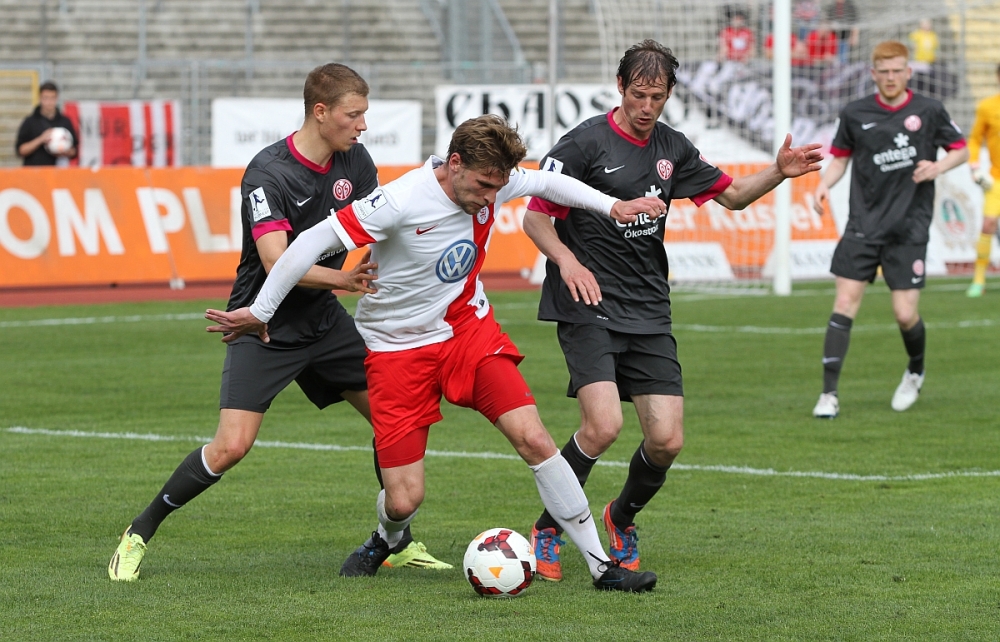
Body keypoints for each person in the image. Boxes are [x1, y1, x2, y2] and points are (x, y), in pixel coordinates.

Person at [205, 115, 670, 592]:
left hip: (467, 331)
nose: (491, 198)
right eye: (484, 185)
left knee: (533, 437)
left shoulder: (494, 181)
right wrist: (261, 311)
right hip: (396, 350)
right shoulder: (400, 200)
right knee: (403, 500)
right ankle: (386, 537)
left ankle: (601, 566)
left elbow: (549, 182)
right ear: (455, 163)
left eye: (499, 187)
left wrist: (612, 206)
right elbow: (308, 241)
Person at [108, 63, 449, 582]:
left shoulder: (356, 161)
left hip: (324, 321)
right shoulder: (268, 173)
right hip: (261, 324)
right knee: (231, 447)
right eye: (353, 115)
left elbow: (381, 225)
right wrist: (343, 279)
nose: (362, 126)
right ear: (320, 112)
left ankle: (394, 541)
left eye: (365, 115)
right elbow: (276, 260)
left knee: (392, 420)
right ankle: (138, 532)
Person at [519, 39, 823, 581]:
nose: (646, 107)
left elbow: (733, 196)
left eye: (656, 97)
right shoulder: (583, 144)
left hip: (648, 308)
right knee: (603, 426)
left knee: (667, 441)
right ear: (620, 87)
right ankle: (548, 528)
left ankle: (620, 517)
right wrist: (567, 261)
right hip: (587, 302)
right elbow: (535, 216)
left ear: (669, 94)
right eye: (638, 94)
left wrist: (779, 171)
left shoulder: (672, 147)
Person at [811, 41, 968, 419]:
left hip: (908, 227)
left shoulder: (929, 110)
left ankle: (915, 370)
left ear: (908, 72)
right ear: (874, 74)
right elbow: (839, 160)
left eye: (898, 70)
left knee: (904, 314)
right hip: (863, 225)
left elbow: (961, 149)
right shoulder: (855, 113)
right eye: (884, 72)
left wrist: (938, 167)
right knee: (844, 304)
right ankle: (828, 395)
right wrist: (823, 184)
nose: (891, 77)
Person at [965, 63, 1000, 298]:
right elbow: (975, 139)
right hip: (996, 179)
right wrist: (975, 167)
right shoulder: (987, 106)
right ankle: (979, 280)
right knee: (988, 224)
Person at [15, 81, 78, 166]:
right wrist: (41, 139)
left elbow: (74, 151)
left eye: (52, 98)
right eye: (46, 98)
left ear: (57, 98)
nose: (49, 102)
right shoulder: (30, 122)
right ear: (40, 98)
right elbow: (20, 151)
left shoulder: (65, 121)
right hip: (35, 171)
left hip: (58, 171)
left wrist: (64, 149)